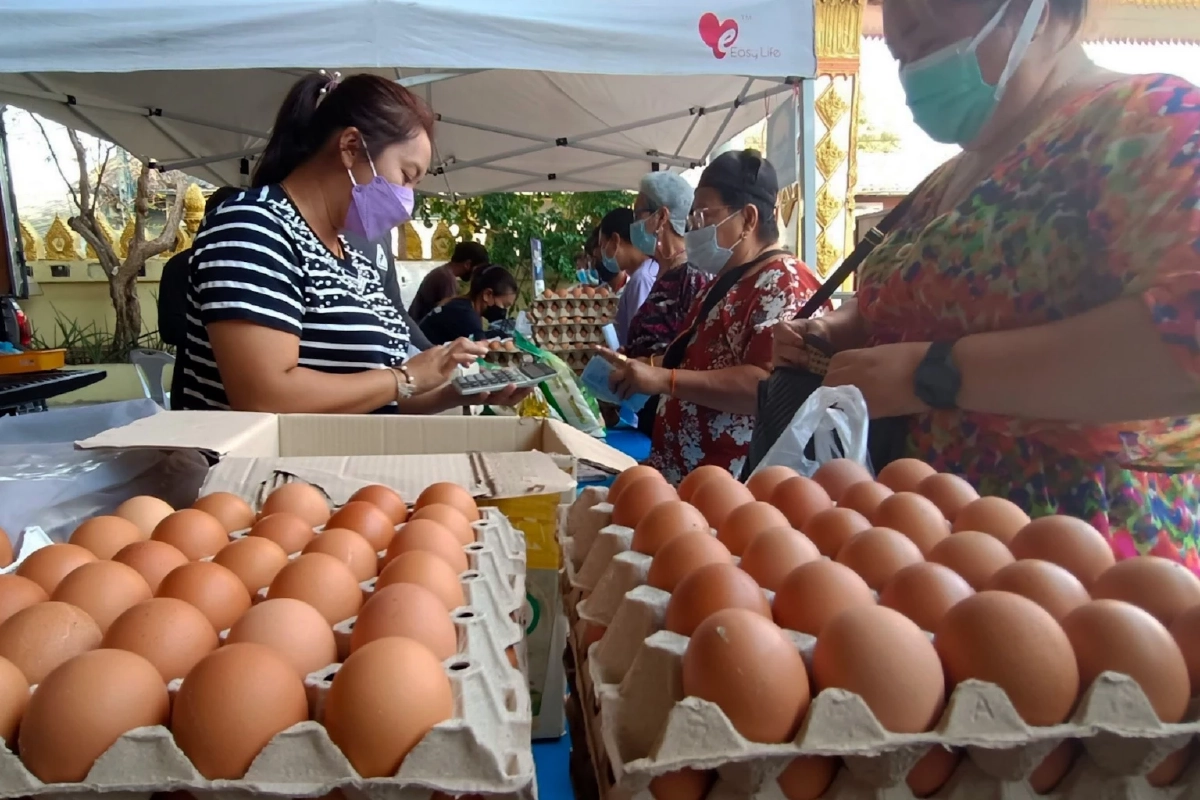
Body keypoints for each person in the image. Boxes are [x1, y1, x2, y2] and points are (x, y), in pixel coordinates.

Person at [773, 0, 1200, 570]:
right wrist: (835, 330)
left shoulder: (1152, 118)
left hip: (1067, 556)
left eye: (931, 36)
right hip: (915, 546)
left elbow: (1187, 337)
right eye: (904, 53)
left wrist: (933, 373)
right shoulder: (948, 177)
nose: (910, 53)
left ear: (1040, 12)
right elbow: (910, 307)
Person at [176, 72, 528, 414]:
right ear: (350, 146)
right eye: (406, 176)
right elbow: (264, 395)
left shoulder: (353, 259)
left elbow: (376, 396)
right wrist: (405, 376)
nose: (407, 201)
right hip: (260, 456)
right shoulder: (253, 227)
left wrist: (454, 392)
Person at [603, 150, 826, 483]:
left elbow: (768, 386)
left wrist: (666, 380)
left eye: (703, 215)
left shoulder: (784, 284)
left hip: (736, 487)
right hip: (689, 478)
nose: (694, 228)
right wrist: (643, 368)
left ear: (748, 219)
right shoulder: (728, 280)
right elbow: (701, 362)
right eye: (692, 217)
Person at [158, 186, 239, 405]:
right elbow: (170, 329)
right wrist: (225, 336)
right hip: (193, 386)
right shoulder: (181, 264)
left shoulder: (252, 265)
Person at [623, 172, 711, 364]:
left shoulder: (692, 277)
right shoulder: (663, 273)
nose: (634, 224)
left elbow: (697, 354)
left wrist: (648, 365)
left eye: (637, 215)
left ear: (662, 216)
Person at [599, 208, 658, 346]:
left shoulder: (641, 280)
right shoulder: (651, 269)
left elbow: (640, 339)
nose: (602, 254)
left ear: (615, 240)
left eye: (602, 245)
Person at [420, 265, 519, 345]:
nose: (503, 310)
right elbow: (482, 350)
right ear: (487, 294)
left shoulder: (459, 305)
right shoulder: (466, 316)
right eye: (504, 305)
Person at [408, 240, 490, 322]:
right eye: (477, 270)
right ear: (467, 264)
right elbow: (451, 314)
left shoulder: (443, 273)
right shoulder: (446, 278)